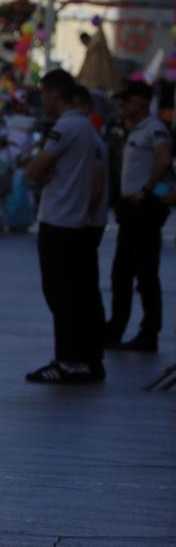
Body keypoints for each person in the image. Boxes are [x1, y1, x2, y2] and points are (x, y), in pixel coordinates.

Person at [24, 69, 108, 383]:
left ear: (55, 94)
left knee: (62, 294)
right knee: (84, 292)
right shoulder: (89, 128)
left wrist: (40, 170)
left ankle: (68, 361)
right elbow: (98, 180)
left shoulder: (67, 126)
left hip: (60, 221)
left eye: (44, 94)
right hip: (80, 222)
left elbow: (35, 170)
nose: (42, 100)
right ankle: (88, 359)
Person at [106, 80, 170, 352]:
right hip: (130, 209)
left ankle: (148, 332)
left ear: (141, 103)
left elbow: (164, 160)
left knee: (145, 274)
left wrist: (146, 191)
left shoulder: (154, 128)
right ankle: (116, 329)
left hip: (144, 209)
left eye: (127, 101)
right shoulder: (133, 130)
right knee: (122, 274)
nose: (122, 105)